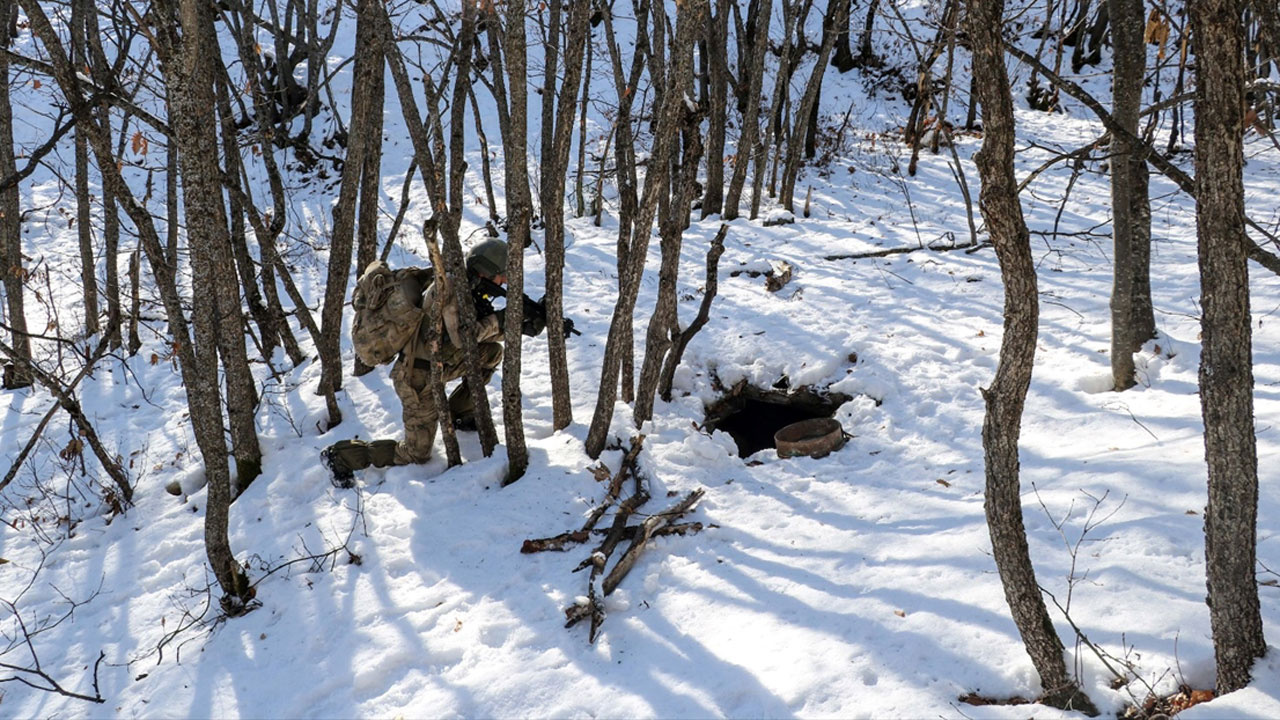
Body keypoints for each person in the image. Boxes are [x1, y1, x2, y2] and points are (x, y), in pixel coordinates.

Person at [321, 239, 552, 487]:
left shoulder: (470, 288)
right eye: (501, 275)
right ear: (486, 270)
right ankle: (342, 456)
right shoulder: (449, 290)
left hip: (440, 363)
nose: (504, 281)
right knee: (416, 453)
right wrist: (504, 319)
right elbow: (464, 337)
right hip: (416, 378)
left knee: (492, 353)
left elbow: (470, 336)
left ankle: (457, 414)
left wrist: (519, 327)